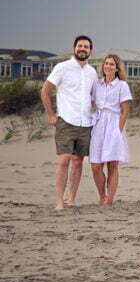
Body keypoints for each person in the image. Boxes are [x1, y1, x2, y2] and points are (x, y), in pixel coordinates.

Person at [41, 35, 98, 210]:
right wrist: (51, 115)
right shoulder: (62, 68)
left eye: (86, 47)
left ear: (90, 51)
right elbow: (45, 91)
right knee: (64, 160)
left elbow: (94, 98)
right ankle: (59, 201)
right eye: (80, 46)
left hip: (85, 123)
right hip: (66, 120)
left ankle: (71, 198)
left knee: (79, 161)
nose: (83, 49)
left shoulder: (92, 72)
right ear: (74, 48)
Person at [89, 54, 132, 207]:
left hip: (114, 123)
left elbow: (125, 111)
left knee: (112, 165)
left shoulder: (122, 85)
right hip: (99, 124)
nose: (108, 66)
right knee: (95, 165)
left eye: (112, 64)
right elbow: (91, 103)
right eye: (106, 63)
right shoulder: (97, 84)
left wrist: (118, 130)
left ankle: (109, 200)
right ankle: (102, 196)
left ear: (117, 68)